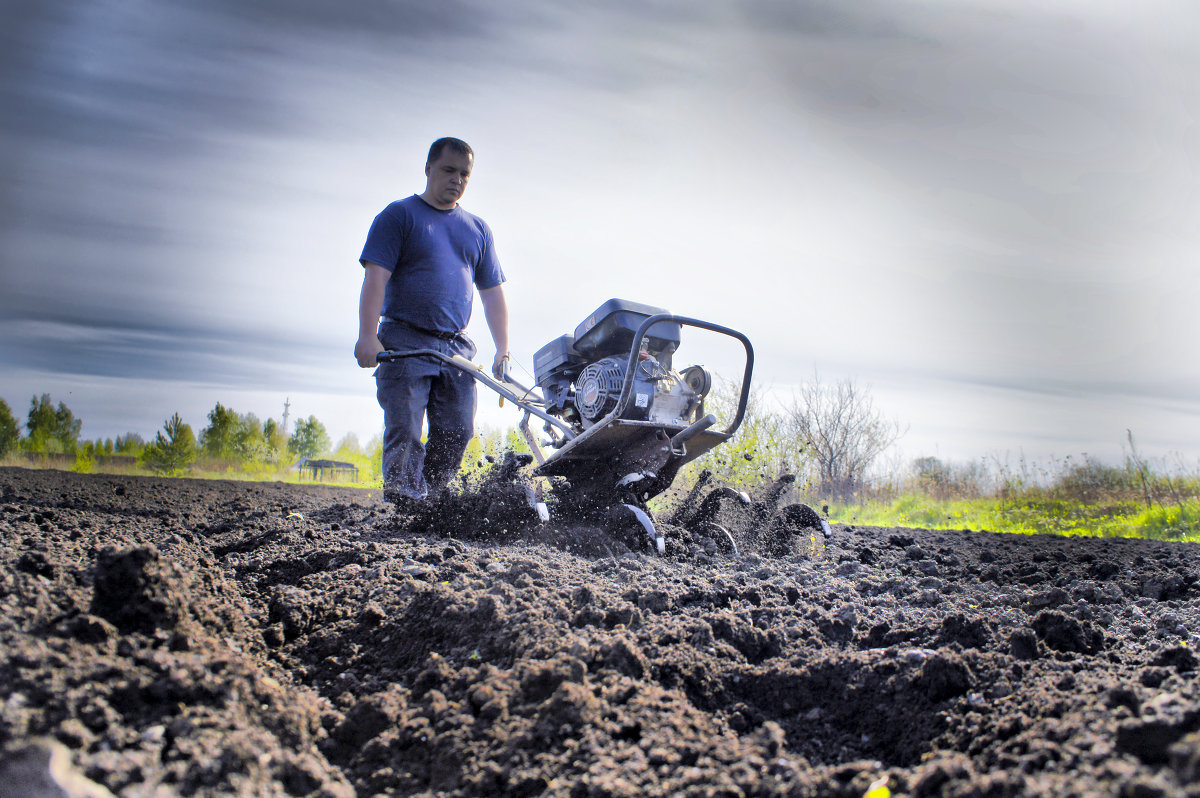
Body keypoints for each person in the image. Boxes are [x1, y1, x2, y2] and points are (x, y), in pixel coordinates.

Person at [354, 137, 509, 505]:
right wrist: (366, 335)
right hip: (404, 340)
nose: (457, 179)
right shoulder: (399, 216)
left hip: (456, 347)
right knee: (406, 427)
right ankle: (406, 502)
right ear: (429, 169)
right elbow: (375, 278)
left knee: (458, 429)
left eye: (465, 174)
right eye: (449, 170)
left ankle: (435, 502)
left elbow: (492, 294)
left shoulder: (477, 230)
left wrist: (503, 348)